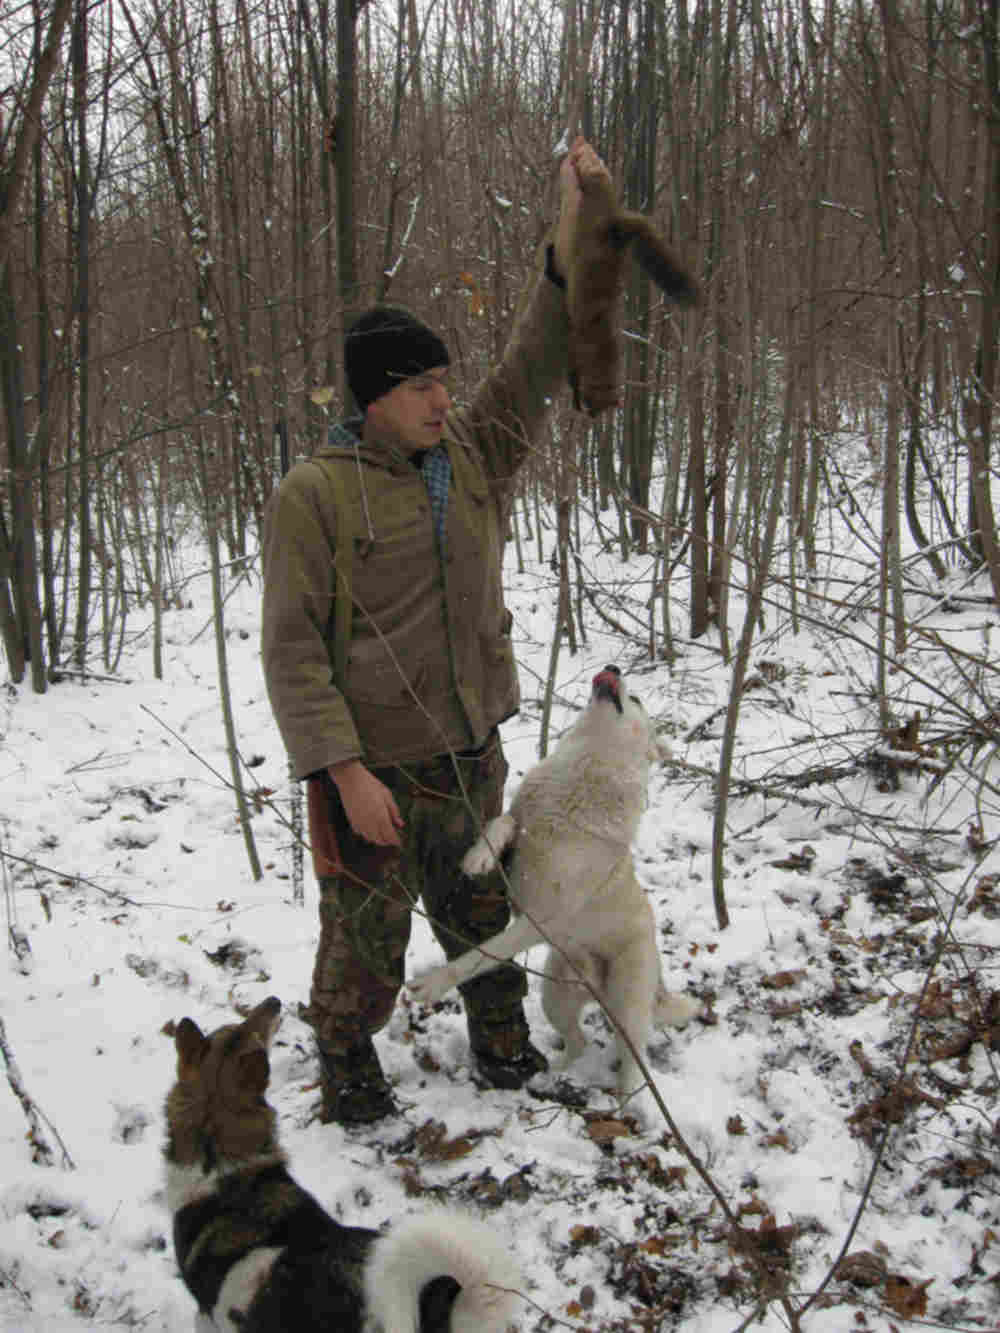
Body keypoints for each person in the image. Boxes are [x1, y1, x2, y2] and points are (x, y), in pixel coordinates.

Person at [261, 137, 612, 1125]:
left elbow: (535, 362)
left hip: (471, 752)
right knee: (362, 940)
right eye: (420, 387)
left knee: (484, 914)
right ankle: (346, 1062)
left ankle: (502, 1044)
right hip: (372, 772)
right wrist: (341, 771)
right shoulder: (314, 496)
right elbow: (291, 651)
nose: (441, 400)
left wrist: (566, 240)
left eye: (444, 383)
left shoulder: (471, 455)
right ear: (373, 394)